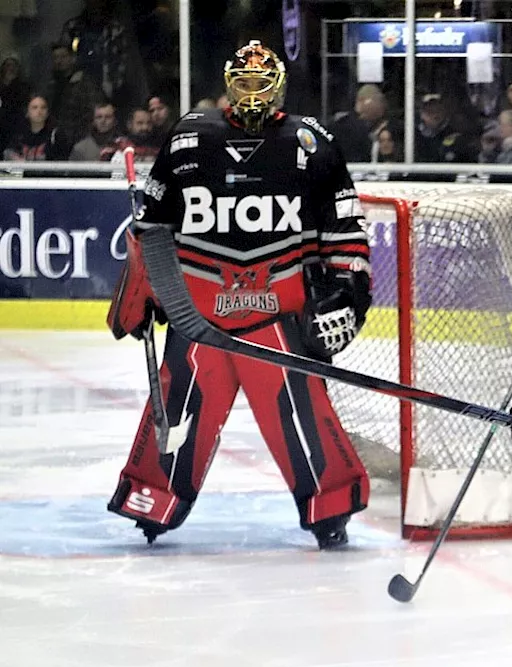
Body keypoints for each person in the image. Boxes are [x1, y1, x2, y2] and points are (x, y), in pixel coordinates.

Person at [104, 40, 372, 550]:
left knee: (301, 418)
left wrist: (346, 295)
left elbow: (345, 230)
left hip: (279, 318)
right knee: (181, 410)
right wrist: (142, 292)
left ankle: (330, 505)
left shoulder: (312, 142)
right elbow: (153, 229)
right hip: (199, 315)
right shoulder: (188, 139)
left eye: (261, 83)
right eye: (243, 83)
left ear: (280, 87)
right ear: (228, 83)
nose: (253, 94)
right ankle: (151, 499)